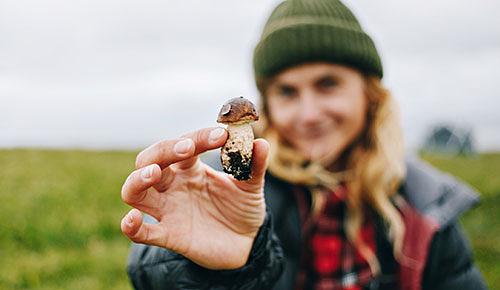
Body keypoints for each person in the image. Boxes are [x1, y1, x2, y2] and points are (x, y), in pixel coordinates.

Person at [120, 0, 488, 289]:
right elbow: (153, 275)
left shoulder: (428, 205)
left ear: (370, 94)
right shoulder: (226, 188)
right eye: (287, 91)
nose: (309, 113)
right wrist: (214, 270)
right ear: (268, 105)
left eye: (328, 83)